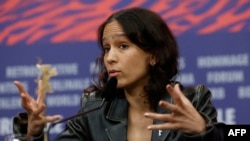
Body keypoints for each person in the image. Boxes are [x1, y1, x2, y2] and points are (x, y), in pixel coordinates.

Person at [13, 7, 224, 141]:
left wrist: (203, 131)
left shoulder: (192, 100)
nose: (110, 58)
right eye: (107, 48)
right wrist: (33, 135)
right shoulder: (95, 109)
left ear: (154, 55)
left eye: (123, 46)